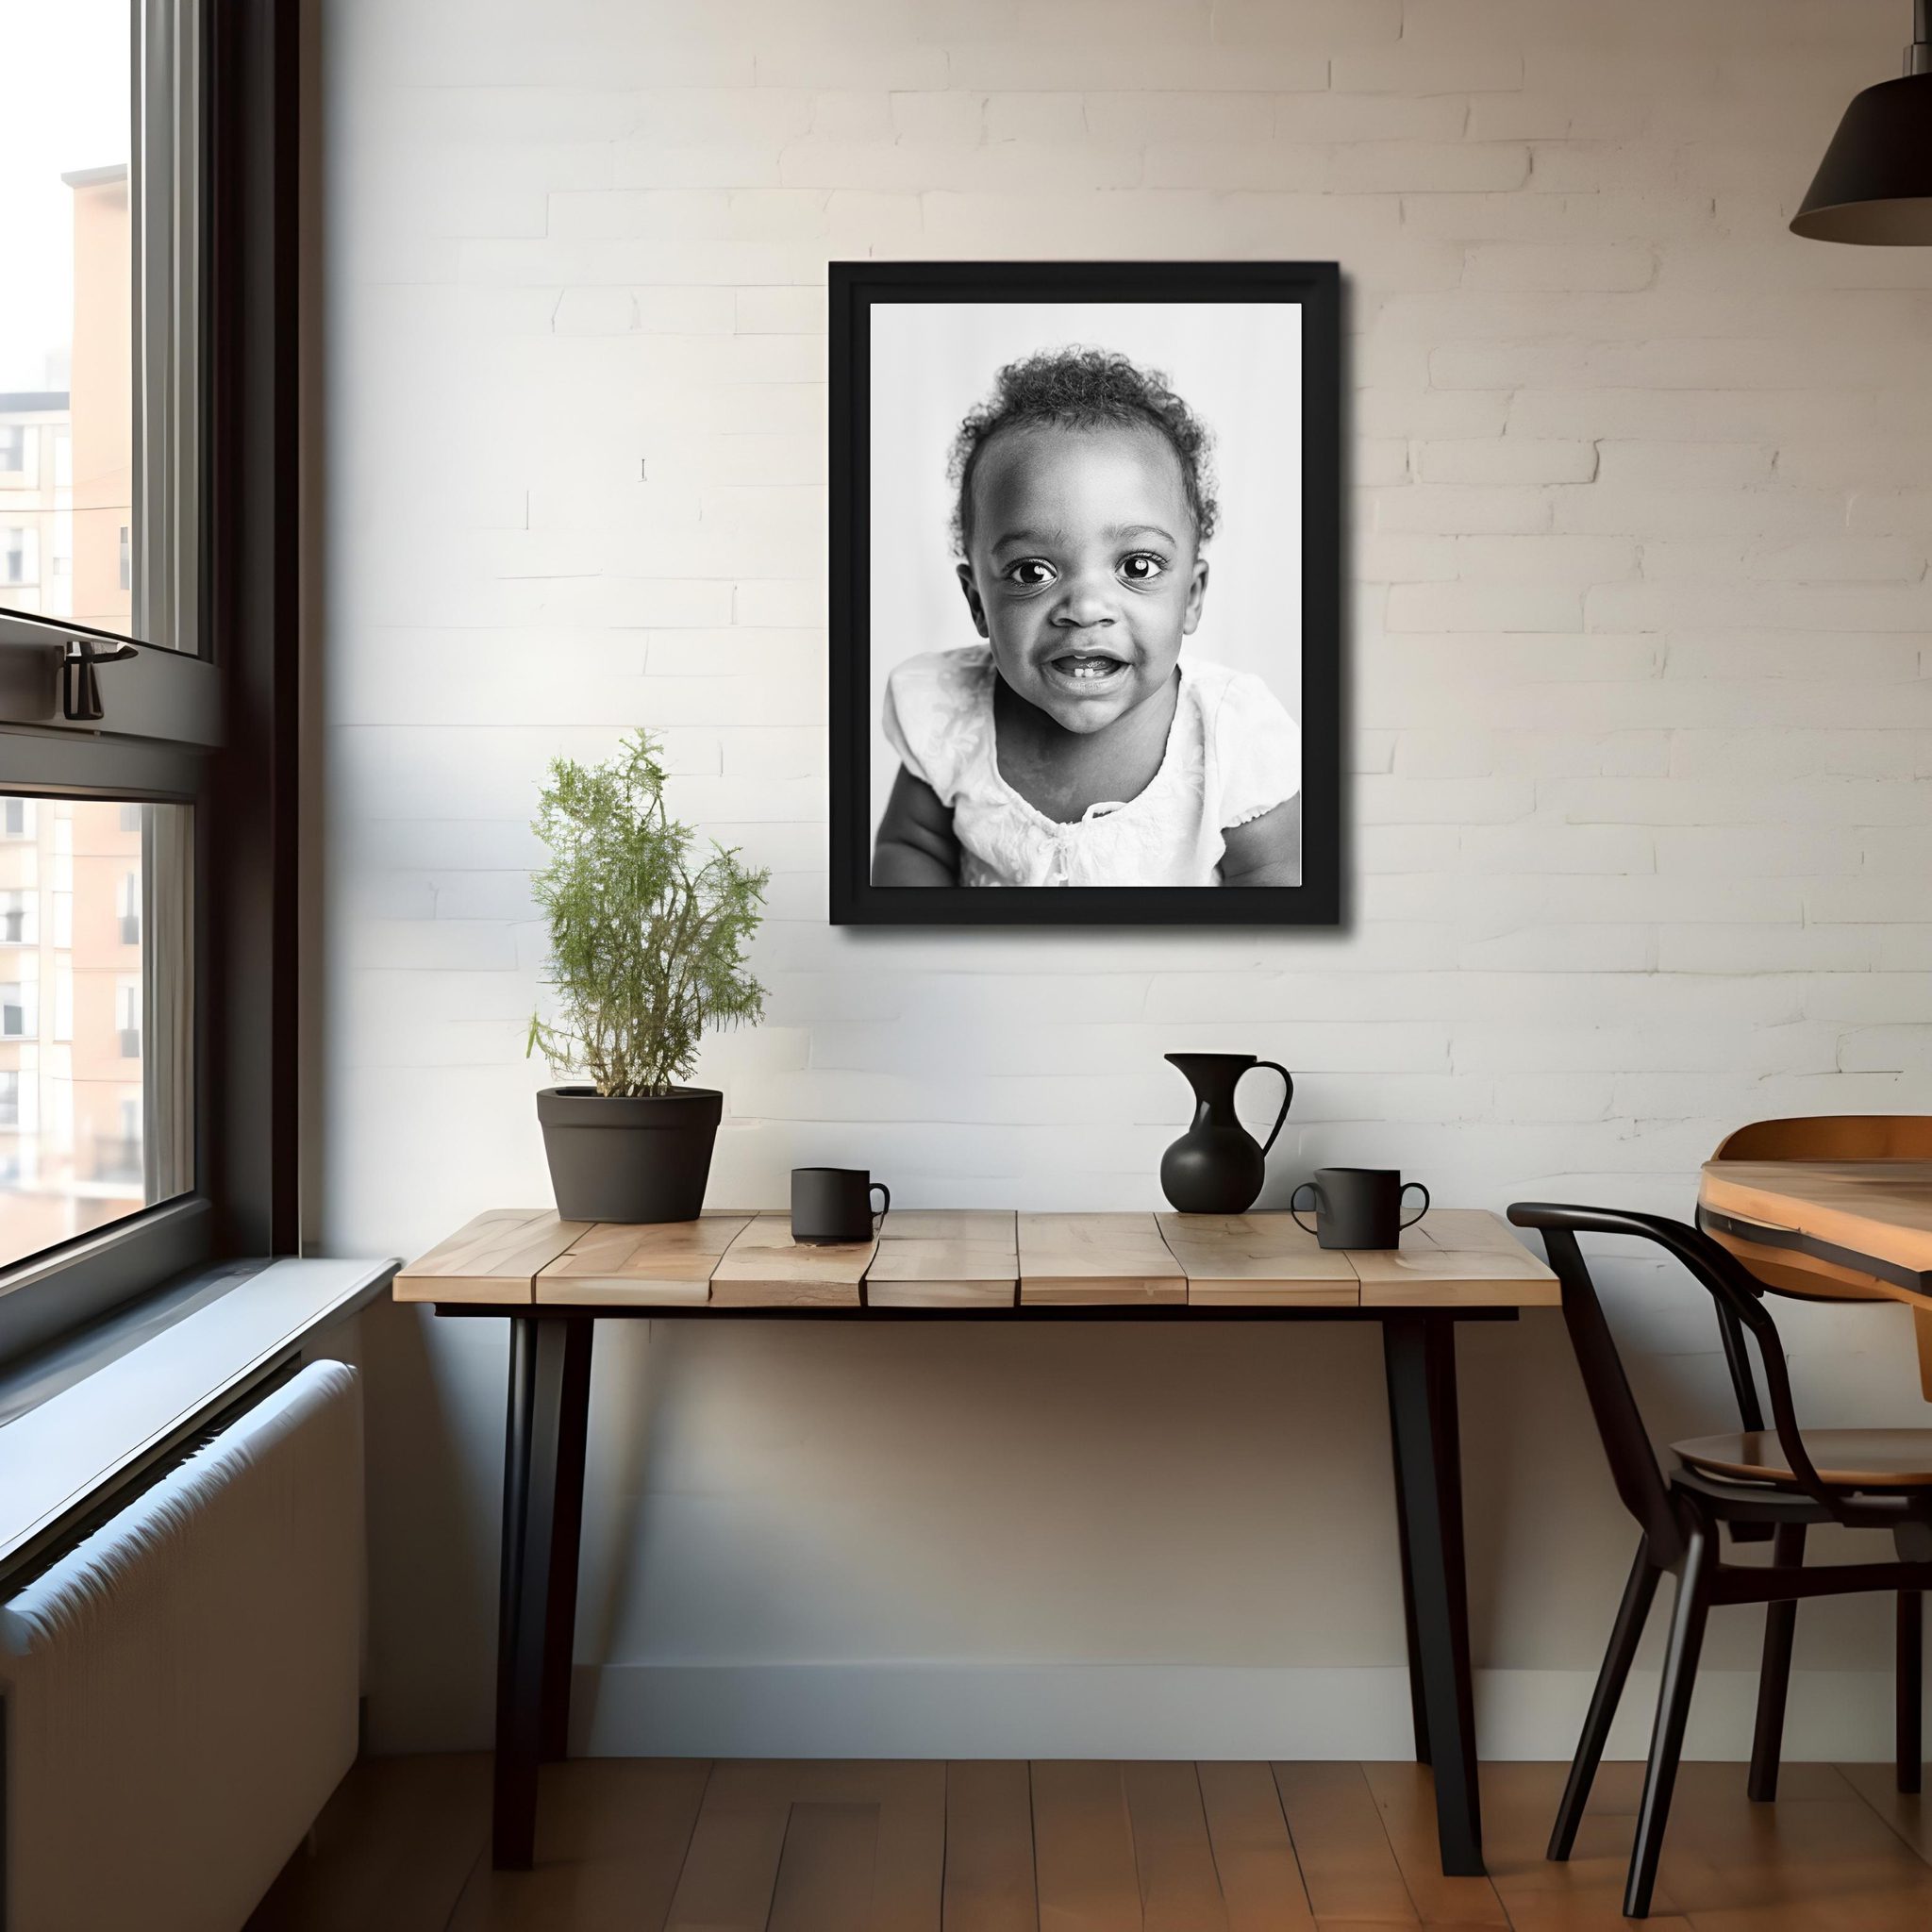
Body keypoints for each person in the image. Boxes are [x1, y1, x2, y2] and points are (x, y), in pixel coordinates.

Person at [872, 345, 1302, 889]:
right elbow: (911, 846)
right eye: (1032, 572)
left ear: (1191, 597)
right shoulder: (948, 716)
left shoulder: (1231, 740)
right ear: (978, 602)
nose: (1084, 609)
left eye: (1137, 566)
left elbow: (1281, 895)